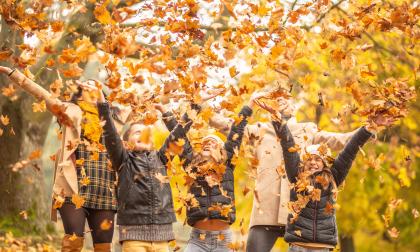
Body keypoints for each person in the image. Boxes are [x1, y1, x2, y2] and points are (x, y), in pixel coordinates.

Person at [192, 91, 356, 252]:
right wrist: (201, 103)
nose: (281, 100)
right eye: (276, 98)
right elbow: (229, 126)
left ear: (293, 107)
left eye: (285, 98)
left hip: (299, 214)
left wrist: (369, 130)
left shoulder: (307, 129)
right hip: (265, 210)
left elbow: (340, 140)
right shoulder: (259, 130)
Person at [0, 66, 130, 252]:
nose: (90, 89)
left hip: (105, 189)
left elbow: (138, 101)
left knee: (104, 247)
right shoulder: (69, 110)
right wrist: (12, 73)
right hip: (72, 188)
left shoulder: (113, 117)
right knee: (73, 243)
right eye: (86, 86)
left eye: (95, 86)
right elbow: (40, 93)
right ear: (79, 92)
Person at [261, 97, 381, 251]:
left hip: (323, 246)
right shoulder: (297, 176)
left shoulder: (333, 177)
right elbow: (288, 145)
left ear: (324, 164)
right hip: (298, 246)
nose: (313, 162)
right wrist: (278, 120)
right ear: (303, 163)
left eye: (318, 159)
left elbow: (350, 150)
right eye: (309, 159)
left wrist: (369, 128)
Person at [159, 93, 263, 252]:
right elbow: (179, 137)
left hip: (224, 240)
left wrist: (249, 105)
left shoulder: (227, 164)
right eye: (205, 143)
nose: (207, 144)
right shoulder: (192, 165)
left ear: (222, 151)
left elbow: (237, 131)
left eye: (213, 143)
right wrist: (166, 113)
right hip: (197, 240)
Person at [96, 87, 189, 252]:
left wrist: (172, 111)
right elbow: (110, 133)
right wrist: (102, 104)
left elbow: (179, 134)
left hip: (162, 239)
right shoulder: (123, 160)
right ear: (126, 141)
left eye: (147, 133)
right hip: (134, 238)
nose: (143, 135)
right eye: (137, 132)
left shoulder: (162, 158)